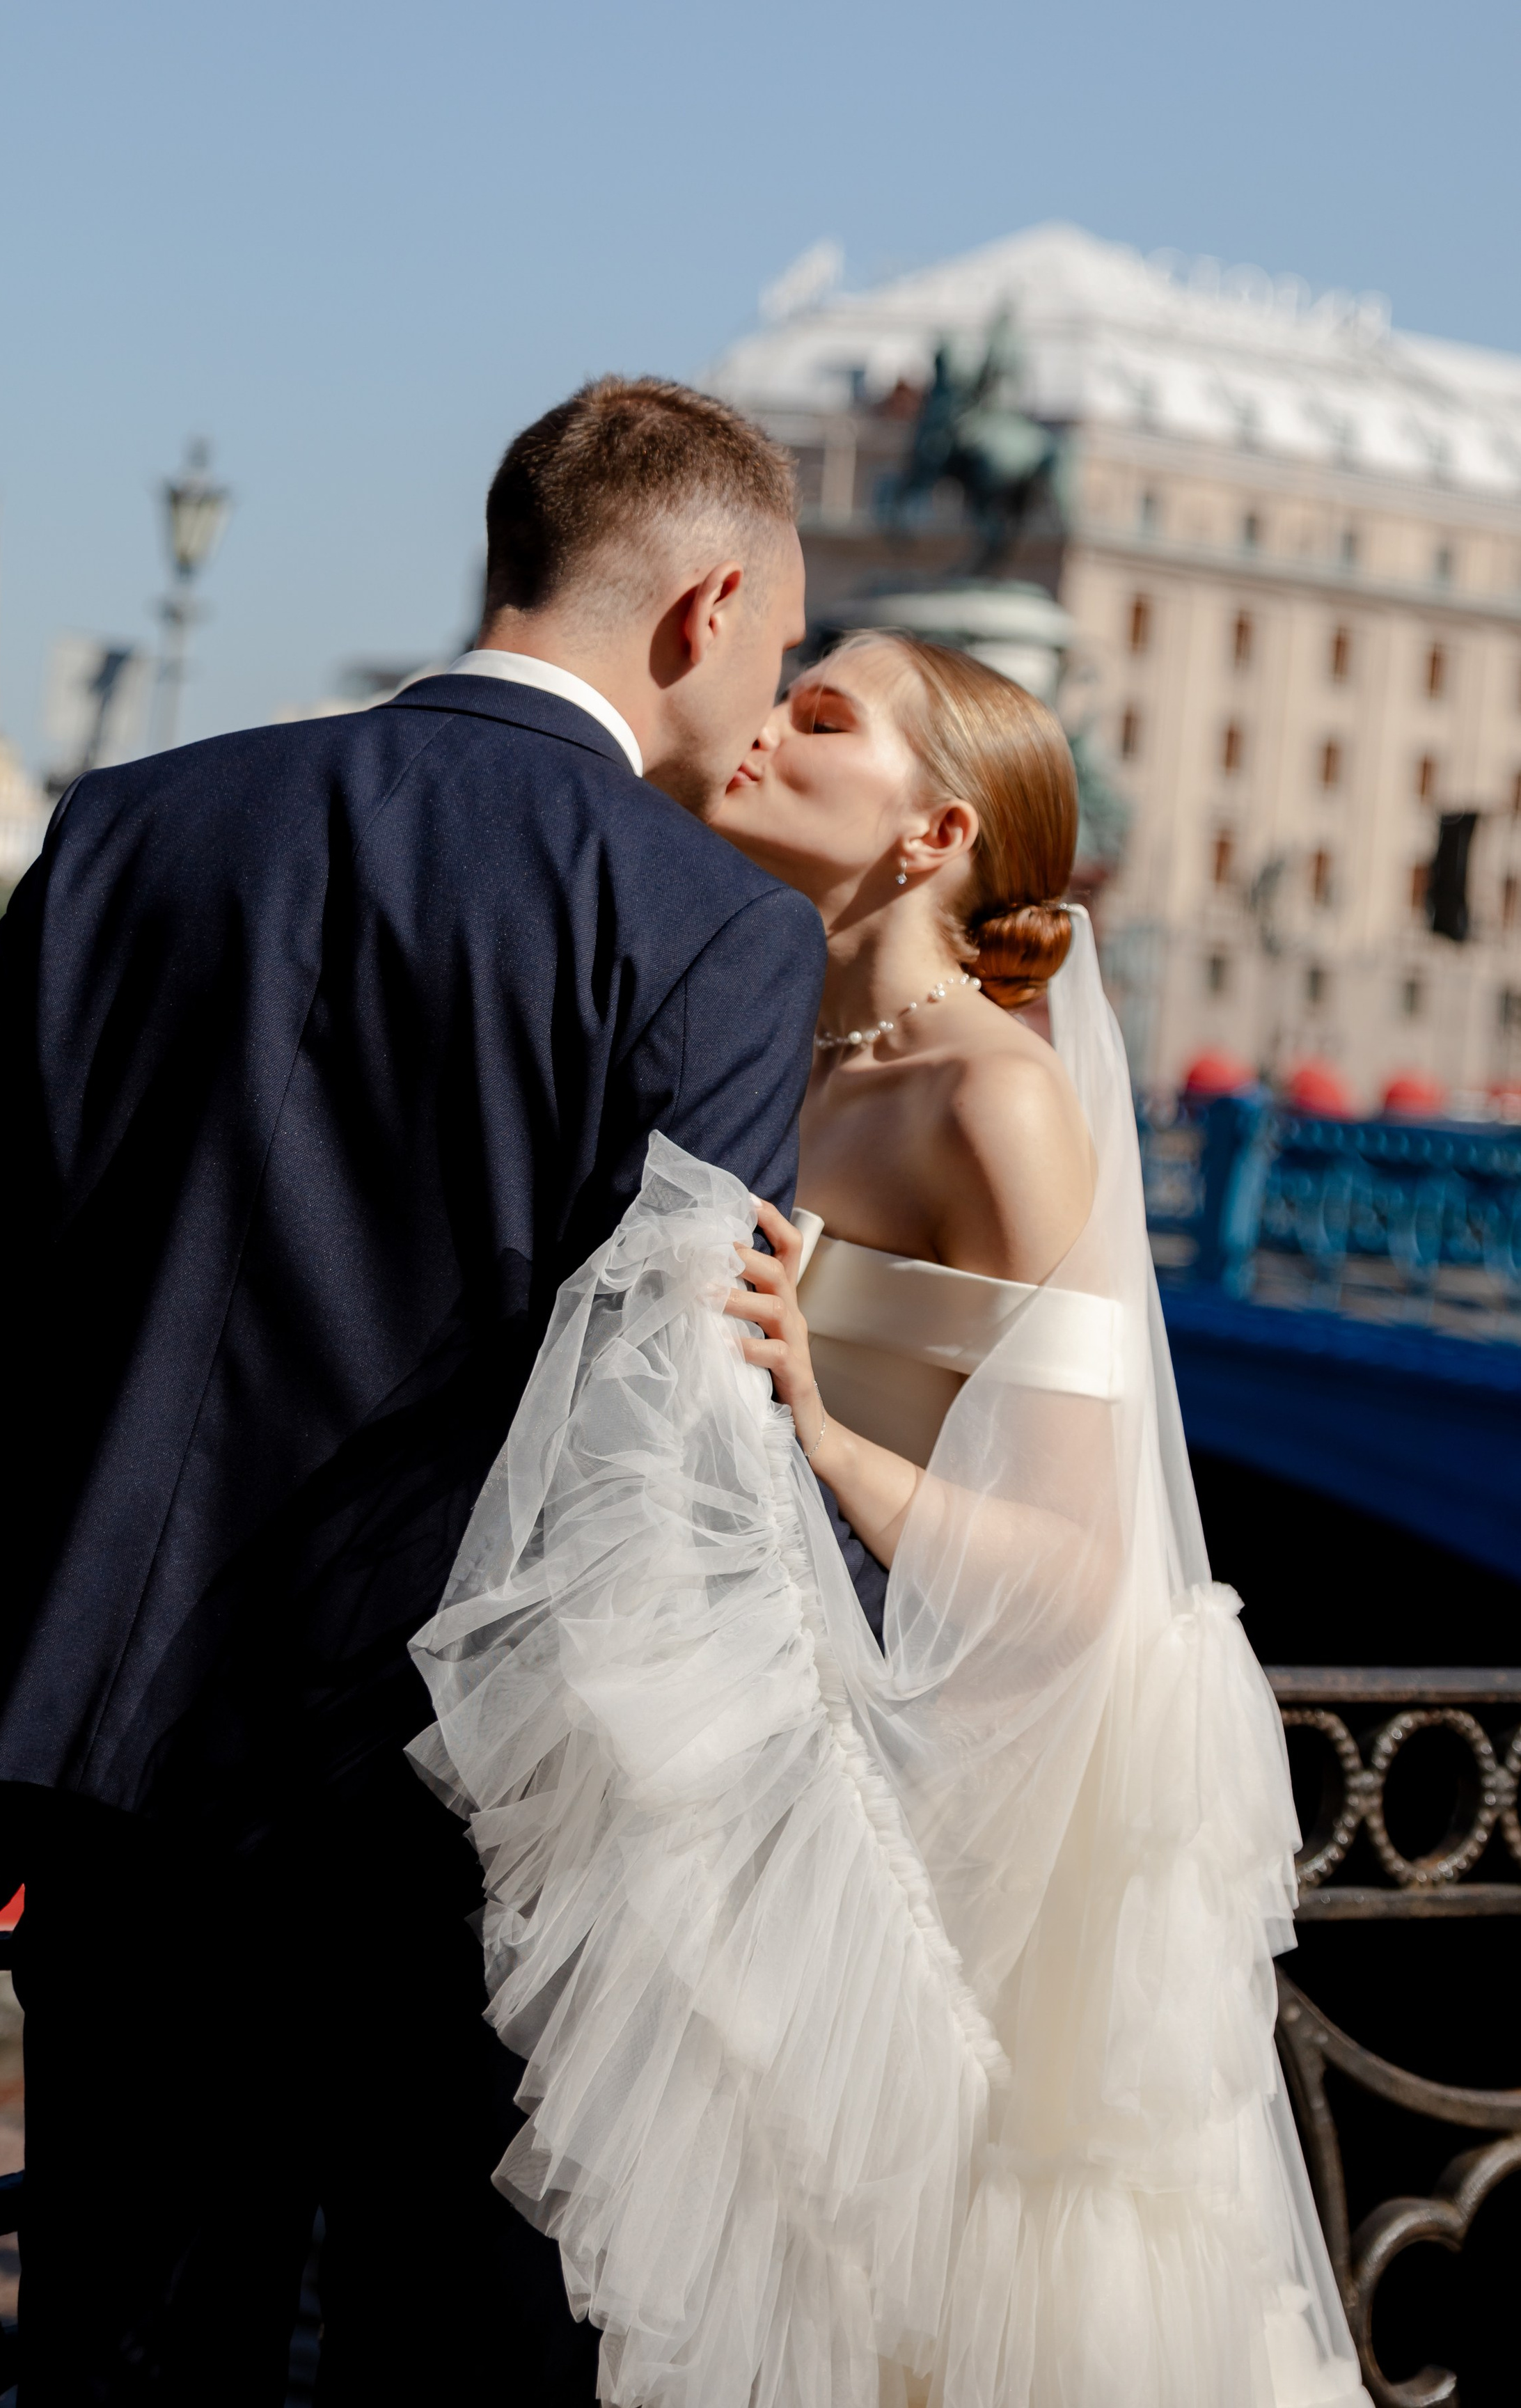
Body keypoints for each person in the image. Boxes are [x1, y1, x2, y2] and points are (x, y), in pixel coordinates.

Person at [0, 377, 824, 2405]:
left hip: (121, 1789)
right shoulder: (716, 926)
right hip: (467, 1829)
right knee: (442, 2363)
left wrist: (80, 1564)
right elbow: (669, 1441)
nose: (769, 700)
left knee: (121, 2355)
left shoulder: (136, 822)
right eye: (784, 650)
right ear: (706, 601)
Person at [411, 634, 1367, 2406]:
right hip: (767, 1762)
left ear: (929, 834)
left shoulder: (992, 1096)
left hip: (946, 1832)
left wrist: (814, 1415)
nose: (759, 726)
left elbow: (1080, 1574)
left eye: (818, 716)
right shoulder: (754, 1044)